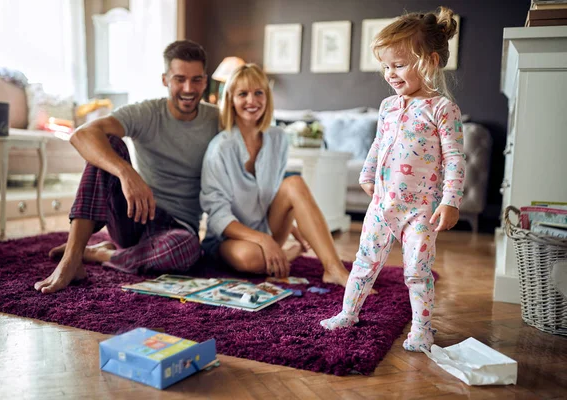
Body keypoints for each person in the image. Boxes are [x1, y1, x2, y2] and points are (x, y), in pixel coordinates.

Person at [320, 7, 466, 352]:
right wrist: (367, 172)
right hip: (382, 204)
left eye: (398, 65)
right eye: (386, 66)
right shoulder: (387, 106)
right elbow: (378, 143)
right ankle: (348, 313)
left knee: (417, 270)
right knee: (363, 263)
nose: (390, 73)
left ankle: (422, 328)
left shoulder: (442, 109)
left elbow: (455, 158)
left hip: (419, 211)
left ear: (429, 62)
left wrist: (450, 200)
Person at [34, 40, 219, 294]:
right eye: (180, 79)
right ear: (165, 79)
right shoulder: (147, 112)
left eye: (196, 80)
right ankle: (72, 257)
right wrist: (126, 172)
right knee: (105, 141)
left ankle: (100, 256)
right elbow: (81, 135)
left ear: (205, 80)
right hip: (136, 214)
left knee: (186, 251)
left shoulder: (217, 119)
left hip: (178, 230)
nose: (188, 88)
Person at [199, 63, 349, 286]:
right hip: (229, 239)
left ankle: (334, 269)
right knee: (249, 258)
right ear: (230, 100)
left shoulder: (278, 138)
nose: (252, 101)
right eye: (243, 94)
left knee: (294, 182)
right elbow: (218, 216)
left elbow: (278, 194)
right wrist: (263, 240)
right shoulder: (220, 148)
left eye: (259, 93)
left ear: (267, 97)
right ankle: (286, 253)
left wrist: (293, 229)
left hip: (267, 230)